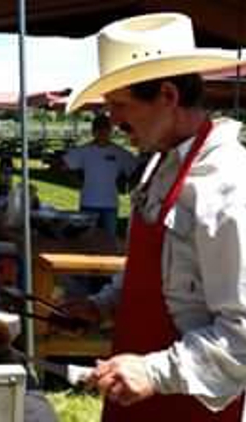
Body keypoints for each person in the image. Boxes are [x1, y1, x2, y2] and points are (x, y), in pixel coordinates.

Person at [63, 12, 246, 422]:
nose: (111, 121)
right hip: (133, 398)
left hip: (187, 407)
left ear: (167, 95)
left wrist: (154, 370)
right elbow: (152, 273)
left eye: (120, 105)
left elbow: (242, 336)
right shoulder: (158, 164)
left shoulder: (228, 185)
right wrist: (102, 304)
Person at [62, 113, 138, 236]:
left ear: (110, 130)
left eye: (105, 128)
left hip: (110, 205)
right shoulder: (83, 151)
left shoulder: (120, 153)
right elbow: (63, 166)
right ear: (93, 131)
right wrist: (76, 180)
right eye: (98, 128)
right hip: (88, 203)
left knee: (109, 241)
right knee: (85, 240)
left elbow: (136, 170)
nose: (102, 131)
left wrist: (126, 184)